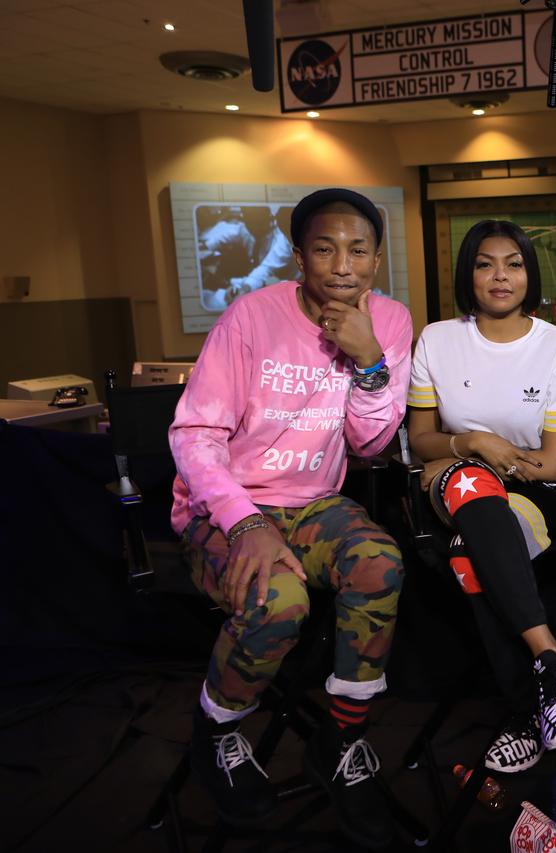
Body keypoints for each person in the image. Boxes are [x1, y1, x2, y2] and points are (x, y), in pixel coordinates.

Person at [170, 187, 412, 848]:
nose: (342, 265)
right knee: (280, 602)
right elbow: (193, 434)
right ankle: (215, 728)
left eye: (358, 250)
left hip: (313, 504)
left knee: (380, 562)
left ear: (376, 257)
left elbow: (369, 445)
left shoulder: (388, 320)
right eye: (325, 248)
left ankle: (339, 736)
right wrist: (243, 522)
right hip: (228, 504)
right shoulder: (250, 316)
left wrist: (369, 362)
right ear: (299, 255)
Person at [406, 220, 556, 774]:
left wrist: (456, 456)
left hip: (541, 488)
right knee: (469, 487)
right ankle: (551, 660)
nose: (500, 276)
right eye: (486, 264)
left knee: (468, 552)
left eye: (514, 263)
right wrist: (475, 443)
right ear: (469, 274)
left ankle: (522, 715)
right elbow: (419, 441)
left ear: (529, 274)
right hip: (468, 481)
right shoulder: (436, 340)